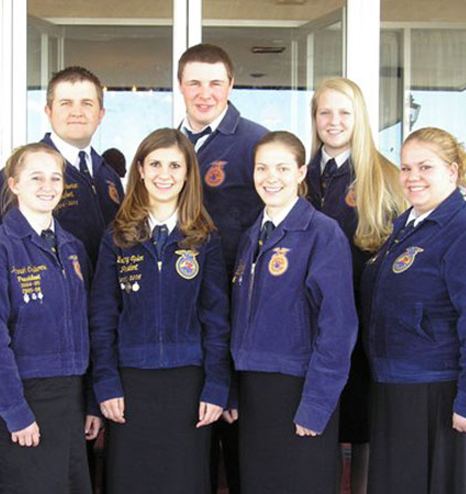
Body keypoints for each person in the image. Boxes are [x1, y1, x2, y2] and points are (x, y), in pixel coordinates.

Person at [361, 127, 466, 493]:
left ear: (453, 171)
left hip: (441, 393)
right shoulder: (406, 227)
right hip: (397, 388)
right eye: (406, 168)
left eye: (425, 167)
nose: (413, 178)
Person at [88, 128, 230, 494]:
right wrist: (105, 383)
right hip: (131, 384)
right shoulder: (116, 237)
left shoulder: (204, 238)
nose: (163, 174)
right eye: (154, 164)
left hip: (189, 384)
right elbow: (102, 318)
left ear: (187, 174)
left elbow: (216, 319)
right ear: (139, 170)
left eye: (174, 165)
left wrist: (216, 385)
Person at [227, 131, 358, 494]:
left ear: (301, 172)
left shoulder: (322, 233)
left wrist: (317, 404)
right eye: (262, 168)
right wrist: (235, 390)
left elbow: (338, 327)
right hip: (255, 392)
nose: (271, 177)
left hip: (300, 389)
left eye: (283, 168)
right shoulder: (253, 236)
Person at [0, 143, 101, 494]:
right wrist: (15, 411)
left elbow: (86, 326)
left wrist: (89, 401)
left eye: (55, 177)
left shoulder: (72, 248)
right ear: (13, 184)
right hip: (25, 397)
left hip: (70, 399)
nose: (48, 185)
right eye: (36, 177)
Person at [305, 77, 407, 494]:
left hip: (363, 328)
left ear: (360, 117)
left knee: (364, 428)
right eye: (325, 112)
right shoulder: (299, 175)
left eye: (344, 112)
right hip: (308, 324)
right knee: (317, 421)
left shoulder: (384, 176)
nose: (333, 121)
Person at [177, 43, 268, 493]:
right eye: (194, 82)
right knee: (188, 443)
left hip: (236, 314)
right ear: (180, 86)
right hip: (178, 315)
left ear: (231, 85)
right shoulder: (166, 146)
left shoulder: (255, 142)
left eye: (215, 82)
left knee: (237, 442)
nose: (204, 93)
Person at [0, 66, 124, 266]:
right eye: (65, 103)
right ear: (48, 112)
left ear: (101, 114)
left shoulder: (109, 176)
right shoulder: (20, 172)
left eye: (87, 103)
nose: (76, 112)